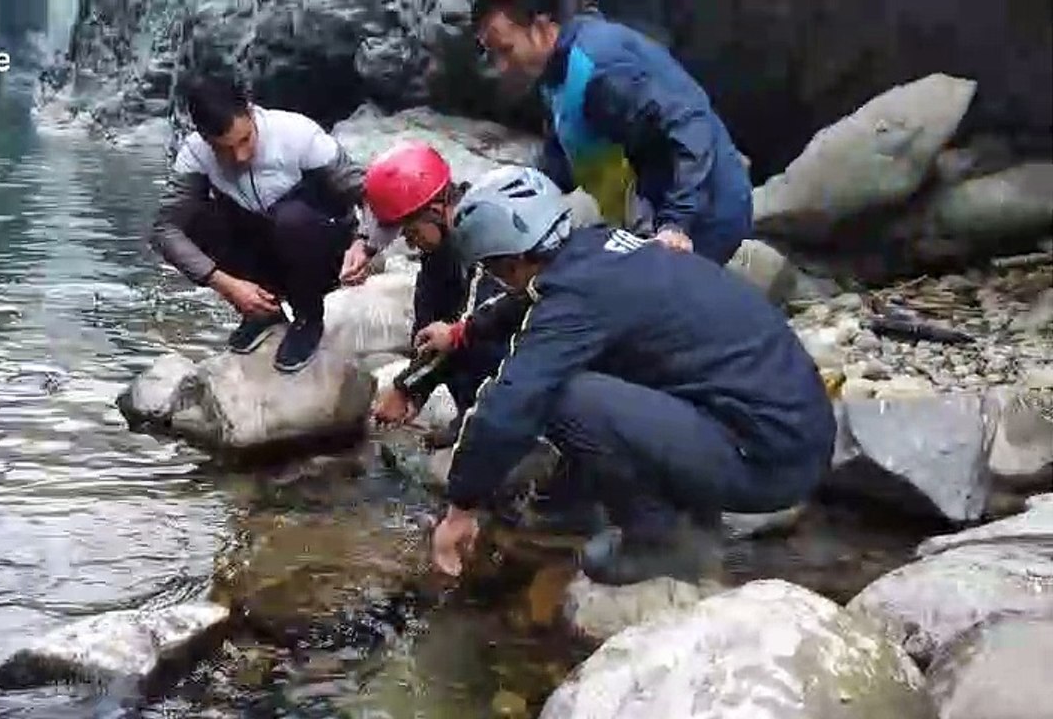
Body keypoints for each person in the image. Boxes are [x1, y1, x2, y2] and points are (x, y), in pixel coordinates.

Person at [429, 165, 836, 585]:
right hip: (792, 432)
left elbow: (510, 404)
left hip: (770, 462)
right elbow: (530, 303)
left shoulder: (574, 297)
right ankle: (594, 504)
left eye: (494, 270)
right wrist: (464, 332)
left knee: (562, 396)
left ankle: (659, 542)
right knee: (583, 366)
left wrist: (461, 507)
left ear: (509, 262)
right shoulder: (600, 249)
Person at [472, 0, 753, 266]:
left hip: (703, 212)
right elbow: (565, 151)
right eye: (492, 55)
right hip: (651, 210)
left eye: (506, 50)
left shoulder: (602, 68)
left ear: (540, 25)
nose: (500, 67)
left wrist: (677, 223)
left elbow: (689, 124)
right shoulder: (555, 74)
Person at [150, 72, 384, 373]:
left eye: (245, 139)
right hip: (262, 251)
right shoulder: (195, 153)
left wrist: (364, 242)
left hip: (324, 253)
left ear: (250, 110)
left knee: (291, 219)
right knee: (196, 220)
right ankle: (263, 312)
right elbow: (164, 230)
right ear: (206, 140)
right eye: (224, 149)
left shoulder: (298, 134)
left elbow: (371, 195)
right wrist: (227, 285)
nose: (240, 155)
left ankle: (307, 318)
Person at [357, 141, 511, 446]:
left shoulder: (485, 231)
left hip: (530, 339)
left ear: (436, 210)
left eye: (411, 233)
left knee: (471, 341)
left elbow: (476, 321)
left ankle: (490, 426)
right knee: (437, 334)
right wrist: (415, 392)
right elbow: (427, 323)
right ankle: (471, 414)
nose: (411, 246)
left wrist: (404, 387)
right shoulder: (440, 251)